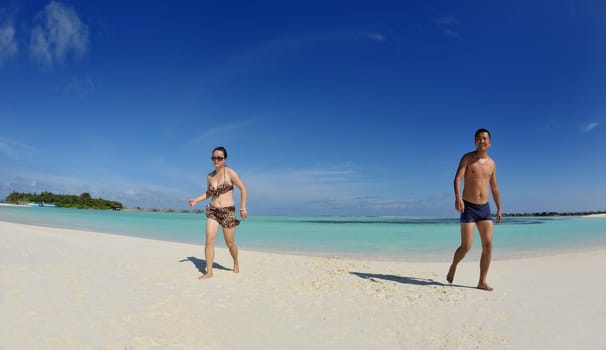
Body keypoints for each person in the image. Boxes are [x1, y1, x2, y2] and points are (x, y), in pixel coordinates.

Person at [447, 128, 502, 291]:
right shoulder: (467, 158)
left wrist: (499, 208)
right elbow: (457, 178)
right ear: (474, 141)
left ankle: (482, 281)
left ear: (490, 142)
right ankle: (454, 265)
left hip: (484, 208)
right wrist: (458, 197)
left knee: (488, 245)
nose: (482, 141)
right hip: (468, 207)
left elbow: (494, 187)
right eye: (479, 138)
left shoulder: (492, 163)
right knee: (466, 246)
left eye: (485, 139)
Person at [188, 146, 248, 279]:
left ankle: (235, 262)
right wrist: (196, 200)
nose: (216, 160)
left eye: (219, 158)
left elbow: (243, 189)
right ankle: (209, 272)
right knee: (209, 240)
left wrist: (243, 208)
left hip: (228, 212)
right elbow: (209, 193)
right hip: (213, 210)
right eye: (214, 158)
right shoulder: (210, 176)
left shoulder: (230, 173)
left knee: (230, 243)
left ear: (225, 159)